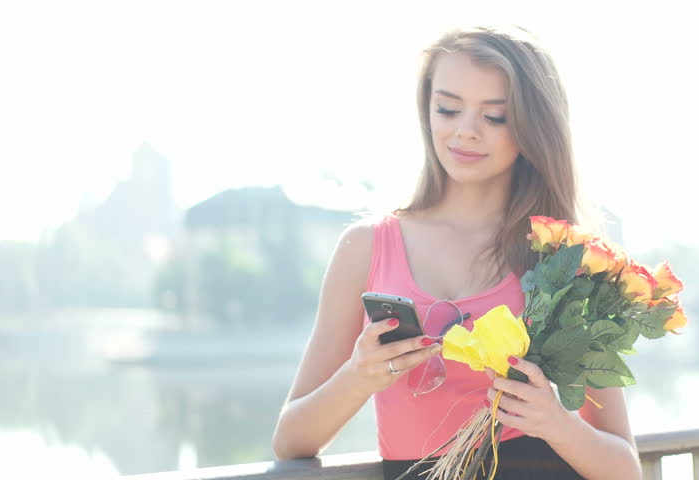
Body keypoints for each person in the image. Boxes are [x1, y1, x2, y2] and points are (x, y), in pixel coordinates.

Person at [272, 25, 642, 480]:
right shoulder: (364, 248)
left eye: (495, 117)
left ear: (531, 127)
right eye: (447, 108)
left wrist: (554, 421)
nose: (465, 132)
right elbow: (291, 441)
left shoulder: (565, 257)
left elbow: (626, 468)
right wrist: (360, 375)